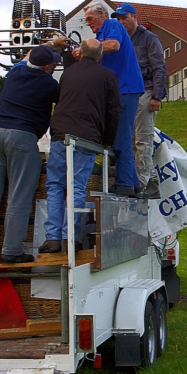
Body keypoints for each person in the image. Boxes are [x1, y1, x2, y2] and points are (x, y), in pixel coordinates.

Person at [0, 45, 61, 264]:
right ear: (48, 67)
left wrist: (50, 44)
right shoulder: (49, 84)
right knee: (18, 196)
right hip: (22, 136)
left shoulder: (15, 72)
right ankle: (11, 250)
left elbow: (25, 58)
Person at [39, 39, 120, 254]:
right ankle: (69, 236)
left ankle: (52, 237)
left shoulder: (67, 74)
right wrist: (108, 141)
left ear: (80, 53)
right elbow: (113, 111)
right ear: (100, 56)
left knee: (55, 185)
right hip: (86, 136)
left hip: (59, 134)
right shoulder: (108, 76)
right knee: (75, 186)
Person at [80, 4, 145, 197]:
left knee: (121, 137)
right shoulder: (104, 33)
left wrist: (86, 50)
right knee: (119, 136)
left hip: (125, 89)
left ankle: (124, 182)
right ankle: (133, 183)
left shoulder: (111, 25)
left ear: (101, 15)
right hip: (120, 90)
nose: (88, 24)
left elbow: (114, 45)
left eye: (90, 19)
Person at [112, 3, 167, 199]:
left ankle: (141, 183)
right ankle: (150, 181)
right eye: (118, 19)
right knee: (131, 139)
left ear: (135, 17)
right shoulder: (122, 39)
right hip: (129, 93)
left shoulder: (149, 39)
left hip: (146, 90)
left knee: (142, 139)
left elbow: (160, 67)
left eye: (124, 17)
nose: (121, 21)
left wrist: (157, 96)